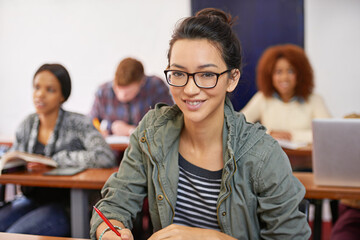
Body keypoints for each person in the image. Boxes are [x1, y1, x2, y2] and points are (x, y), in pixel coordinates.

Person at [90, 8, 311, 240]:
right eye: (178, 73)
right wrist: (109, 231)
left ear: (232, 79)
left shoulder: (263, 155)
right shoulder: (152, 131)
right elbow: (114, 204)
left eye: (206, 75)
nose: (190, 89)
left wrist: (211, 237)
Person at [0, 63, 116, 236]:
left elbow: (104, 156)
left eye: (50, 90)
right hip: (30, 199)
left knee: (14, 234)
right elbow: (14, 157)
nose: (40, 94)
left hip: (66, 207)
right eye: (37, 87)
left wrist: (59, 160)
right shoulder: (27, 124)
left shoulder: (79, 123)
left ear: (63, 95)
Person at [241, 44, 331, 144]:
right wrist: (269, 133)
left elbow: (328, 134)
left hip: (304, 158)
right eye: (278, 72)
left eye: (290, 71)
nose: (284, 77)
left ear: (300, 74)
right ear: (269, 75)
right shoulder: (262, 98)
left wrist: (291, 135)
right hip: (270, 159)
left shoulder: (315, 100)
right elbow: (238, 127)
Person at [89, 57, 173, 137]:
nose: (121, 95)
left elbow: (170, 125)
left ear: (141, 82)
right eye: (117, 89)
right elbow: (90, 121)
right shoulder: (103, 92)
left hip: (146, 150)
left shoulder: (156, 87)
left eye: (127, 93)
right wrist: (99, 132)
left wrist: (131, 131)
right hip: (112, 150)